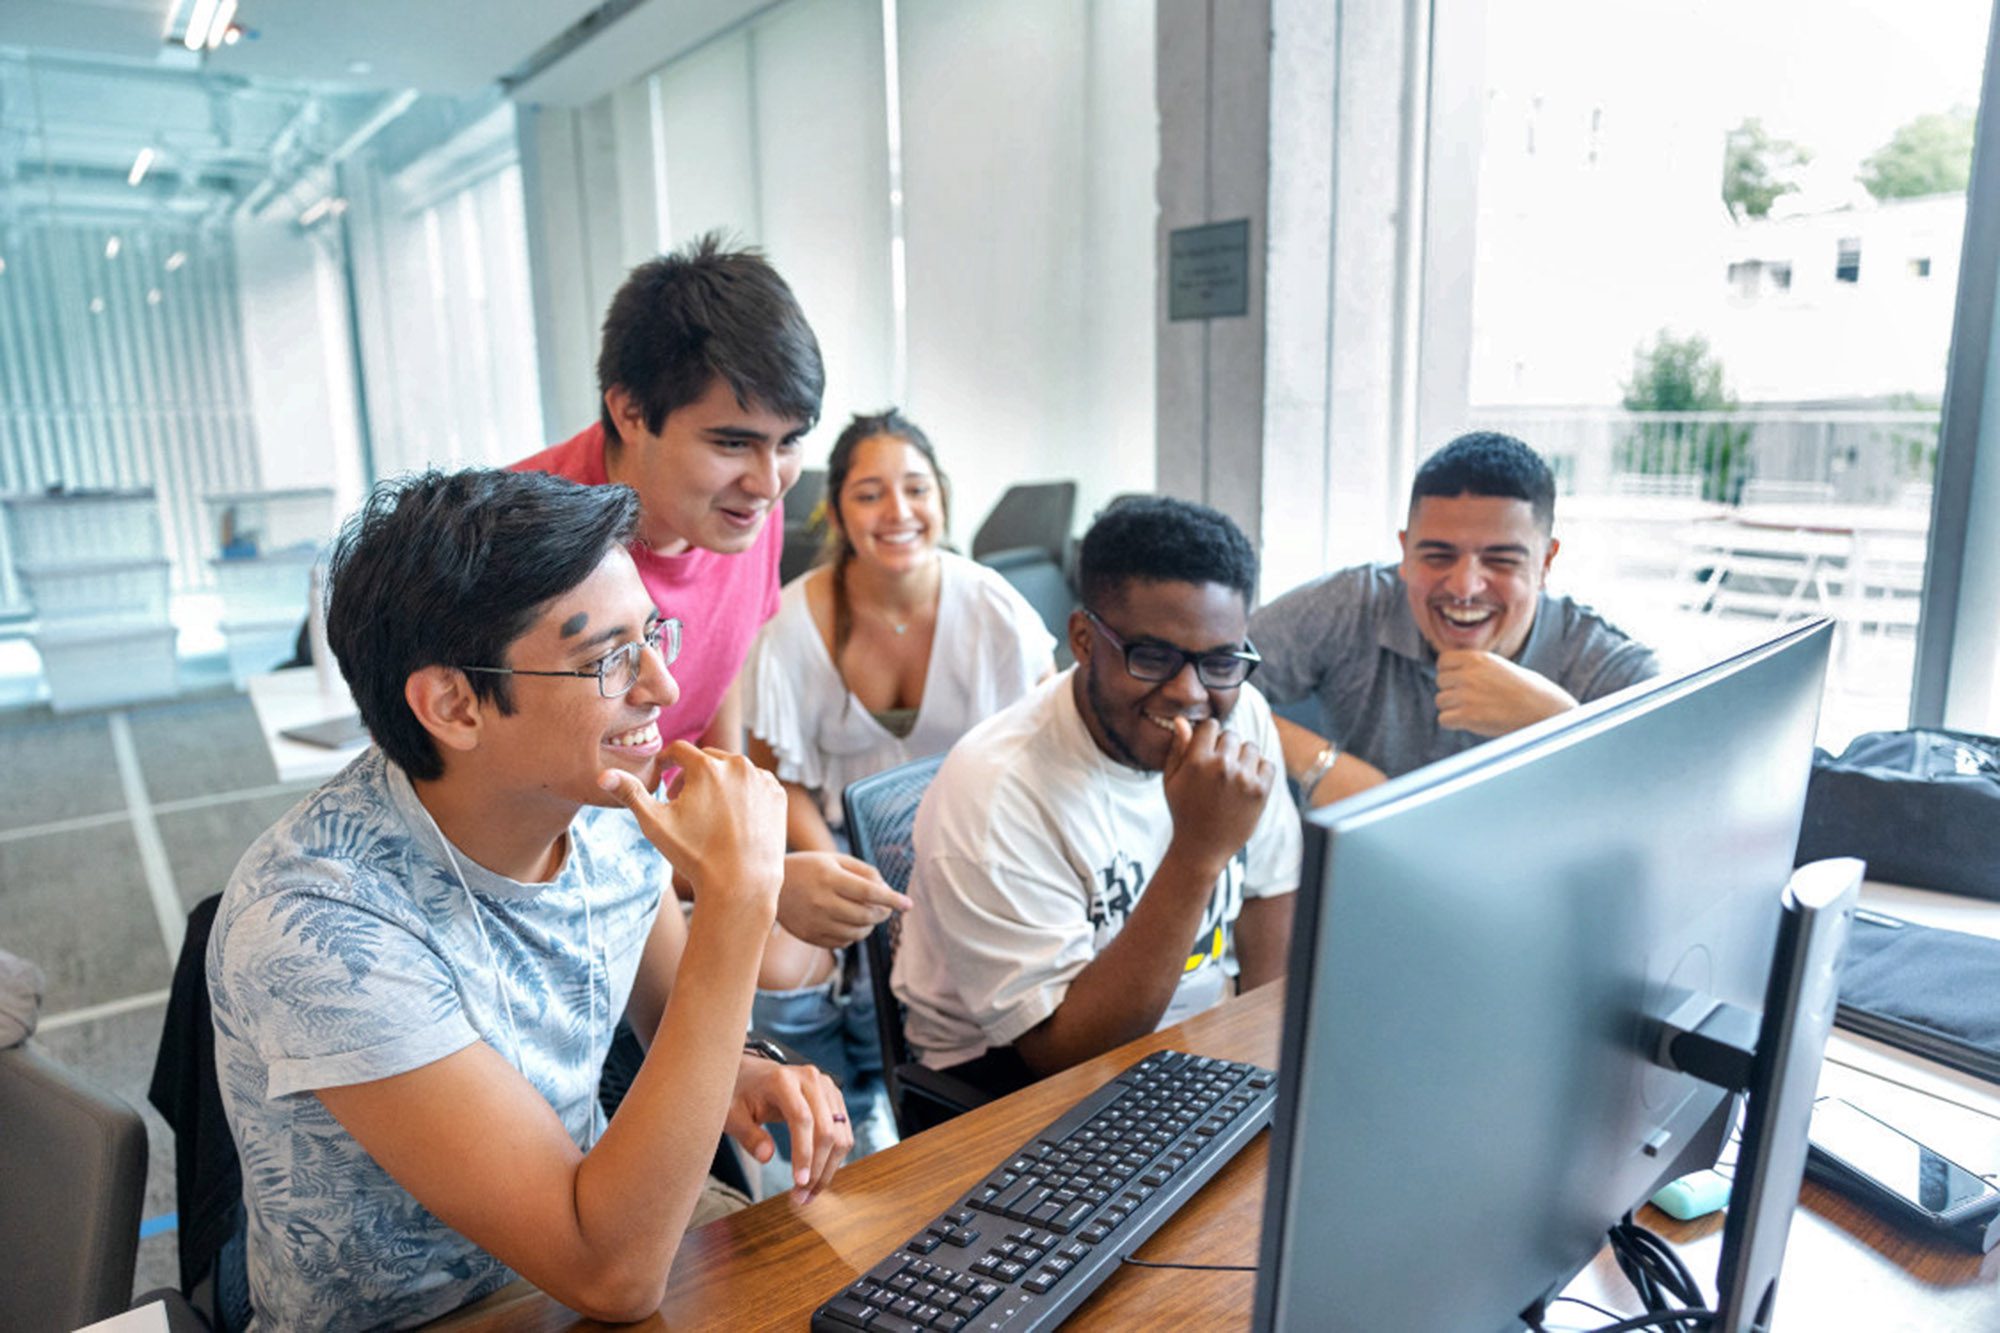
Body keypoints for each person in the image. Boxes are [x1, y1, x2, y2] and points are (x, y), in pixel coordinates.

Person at [207, 470, 852, 1331]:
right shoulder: (317, 925)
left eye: (653, 634)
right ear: (453, 704)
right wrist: (740, 900)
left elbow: (675, 1019)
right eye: (608, 660)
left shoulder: (605, 803)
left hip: (601, 1229)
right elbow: (611, 1274)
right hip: (425, 1317)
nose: (663, 687)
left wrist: (749, 1069)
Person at [514, 233, 907, 955]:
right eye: (732, 443)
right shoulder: (527, 542)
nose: (768, 482)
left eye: (789, 442)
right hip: (555, 870)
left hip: (666, 847)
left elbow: (723, 666)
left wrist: (744, 835)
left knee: (817, 956)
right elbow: (533, 817)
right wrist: (746, 881)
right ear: (631, 412)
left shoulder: (744, 510)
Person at [893, 497, 1301, 1097]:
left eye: (1218, 662)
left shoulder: (1240, 716)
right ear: (1084, 640)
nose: (1190, 693)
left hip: (1196, 1048)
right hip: (1008, 1083)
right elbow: (1065, 1052)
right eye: (1153, 657)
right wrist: (1197, 853)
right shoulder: (997, 789)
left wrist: (1263, 1065)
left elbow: (1271, 891)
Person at [742, 410, 1056, 1145]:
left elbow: (1047, 753)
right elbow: (774, 777)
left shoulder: (995, 608)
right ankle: (831, 1126)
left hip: (973, 846)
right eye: (870, 493)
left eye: (916, 488)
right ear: (836, 513)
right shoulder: (790, 623)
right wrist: (832, 864)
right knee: (776, 967)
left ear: (941, 497)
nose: (898, 511)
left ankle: (920, 1109)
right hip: (836, 844)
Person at [1249, 430, 1659, 805]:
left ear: (1546, 562)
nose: (1464, 587)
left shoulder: (1606, 663)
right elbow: (1210, 680)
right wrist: (1319, 763)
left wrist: (1559, 724)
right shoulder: (1352, 605)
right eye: (1438, 556)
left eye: (1500, 560)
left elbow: (1675, 797)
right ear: (1405, 552)